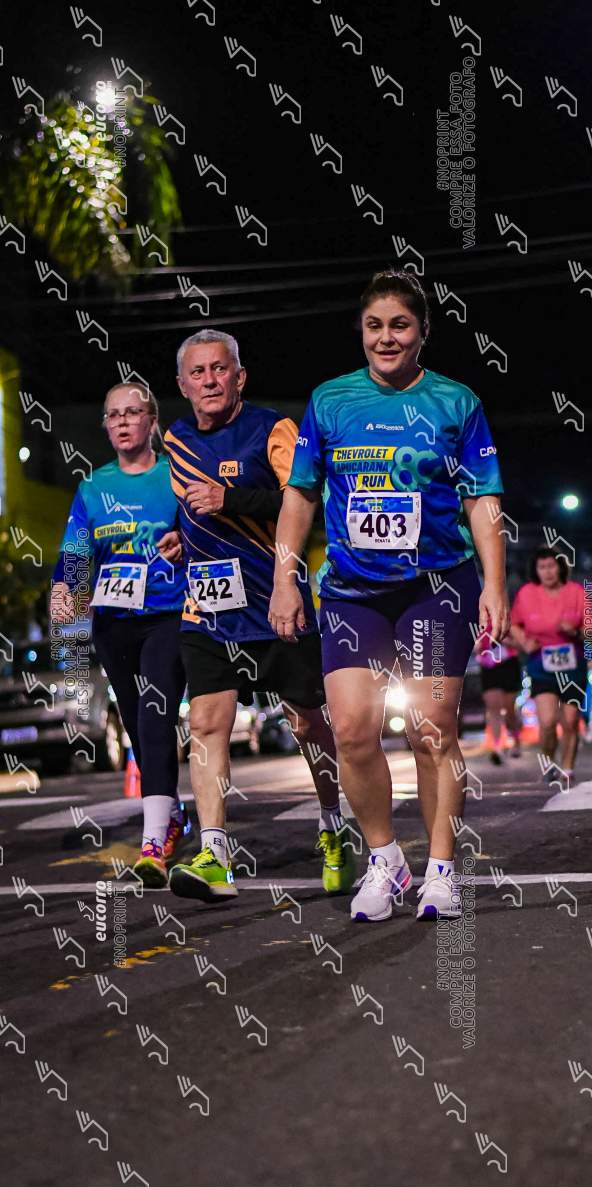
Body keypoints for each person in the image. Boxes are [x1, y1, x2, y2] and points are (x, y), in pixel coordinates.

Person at [269, 268, 509, 922]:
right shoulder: (330, 401)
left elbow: (482, 498)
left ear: (422, 331)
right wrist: (285, 578)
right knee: (350, 730)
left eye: (400, 325)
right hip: (352, 593)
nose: (386, 337)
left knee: (432, 730)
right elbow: (300, 495)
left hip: (436, 587)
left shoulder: (456, 402)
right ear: (361, 331)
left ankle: (441, 870)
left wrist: (494, 583)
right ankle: (385, 859)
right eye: (374, 325)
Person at [163, 329, 352, 904]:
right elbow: (192, 507)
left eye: (220, 369)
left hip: (276, 600)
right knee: (205, 724)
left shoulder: (273, 429)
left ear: (239, 377)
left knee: (308, 724)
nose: (210, 380)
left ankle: (333, 823)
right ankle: (215, 854)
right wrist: (181, 537)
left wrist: (232, 501)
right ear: (182, 384)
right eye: (198, 372)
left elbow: (306, 497)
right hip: (207, 606)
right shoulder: (175, 439)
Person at [50, 384, 189, 888]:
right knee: (135, 722)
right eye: (114, 415)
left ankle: (153, 843)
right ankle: (171, 814)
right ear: (106, 426)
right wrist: (64, 588)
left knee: (155, 716)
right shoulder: (93, 487)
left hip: (167, 616)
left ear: (152, 420)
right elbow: (76, 552)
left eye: (133, 412)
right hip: (112, 622)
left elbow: (206, 533)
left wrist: (185, 544)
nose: (124, 422)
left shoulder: (175, 476)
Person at [510, 549, 591, 785]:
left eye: (551, 566)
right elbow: (514, 624)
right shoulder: (526, 593)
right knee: (547, 722)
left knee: (571, 720)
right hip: (541, 664)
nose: (547, 572)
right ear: (536, 570)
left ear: (560, 568)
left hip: (573, 665)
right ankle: (548, 763)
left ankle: (568, 768)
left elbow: (591, 628)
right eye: (542, 567)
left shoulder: (576, 592)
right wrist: (525, 642)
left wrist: (574, 631)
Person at [474, 627, 522, 764]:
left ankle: (516, 741)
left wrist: (506, 641)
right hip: (488, 666)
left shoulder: (508, 619)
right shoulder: (476, 621)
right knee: (493, 708)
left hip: (508, 665)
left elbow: (521, 644)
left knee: (509, 710)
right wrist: (477, 647)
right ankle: (497, 747)